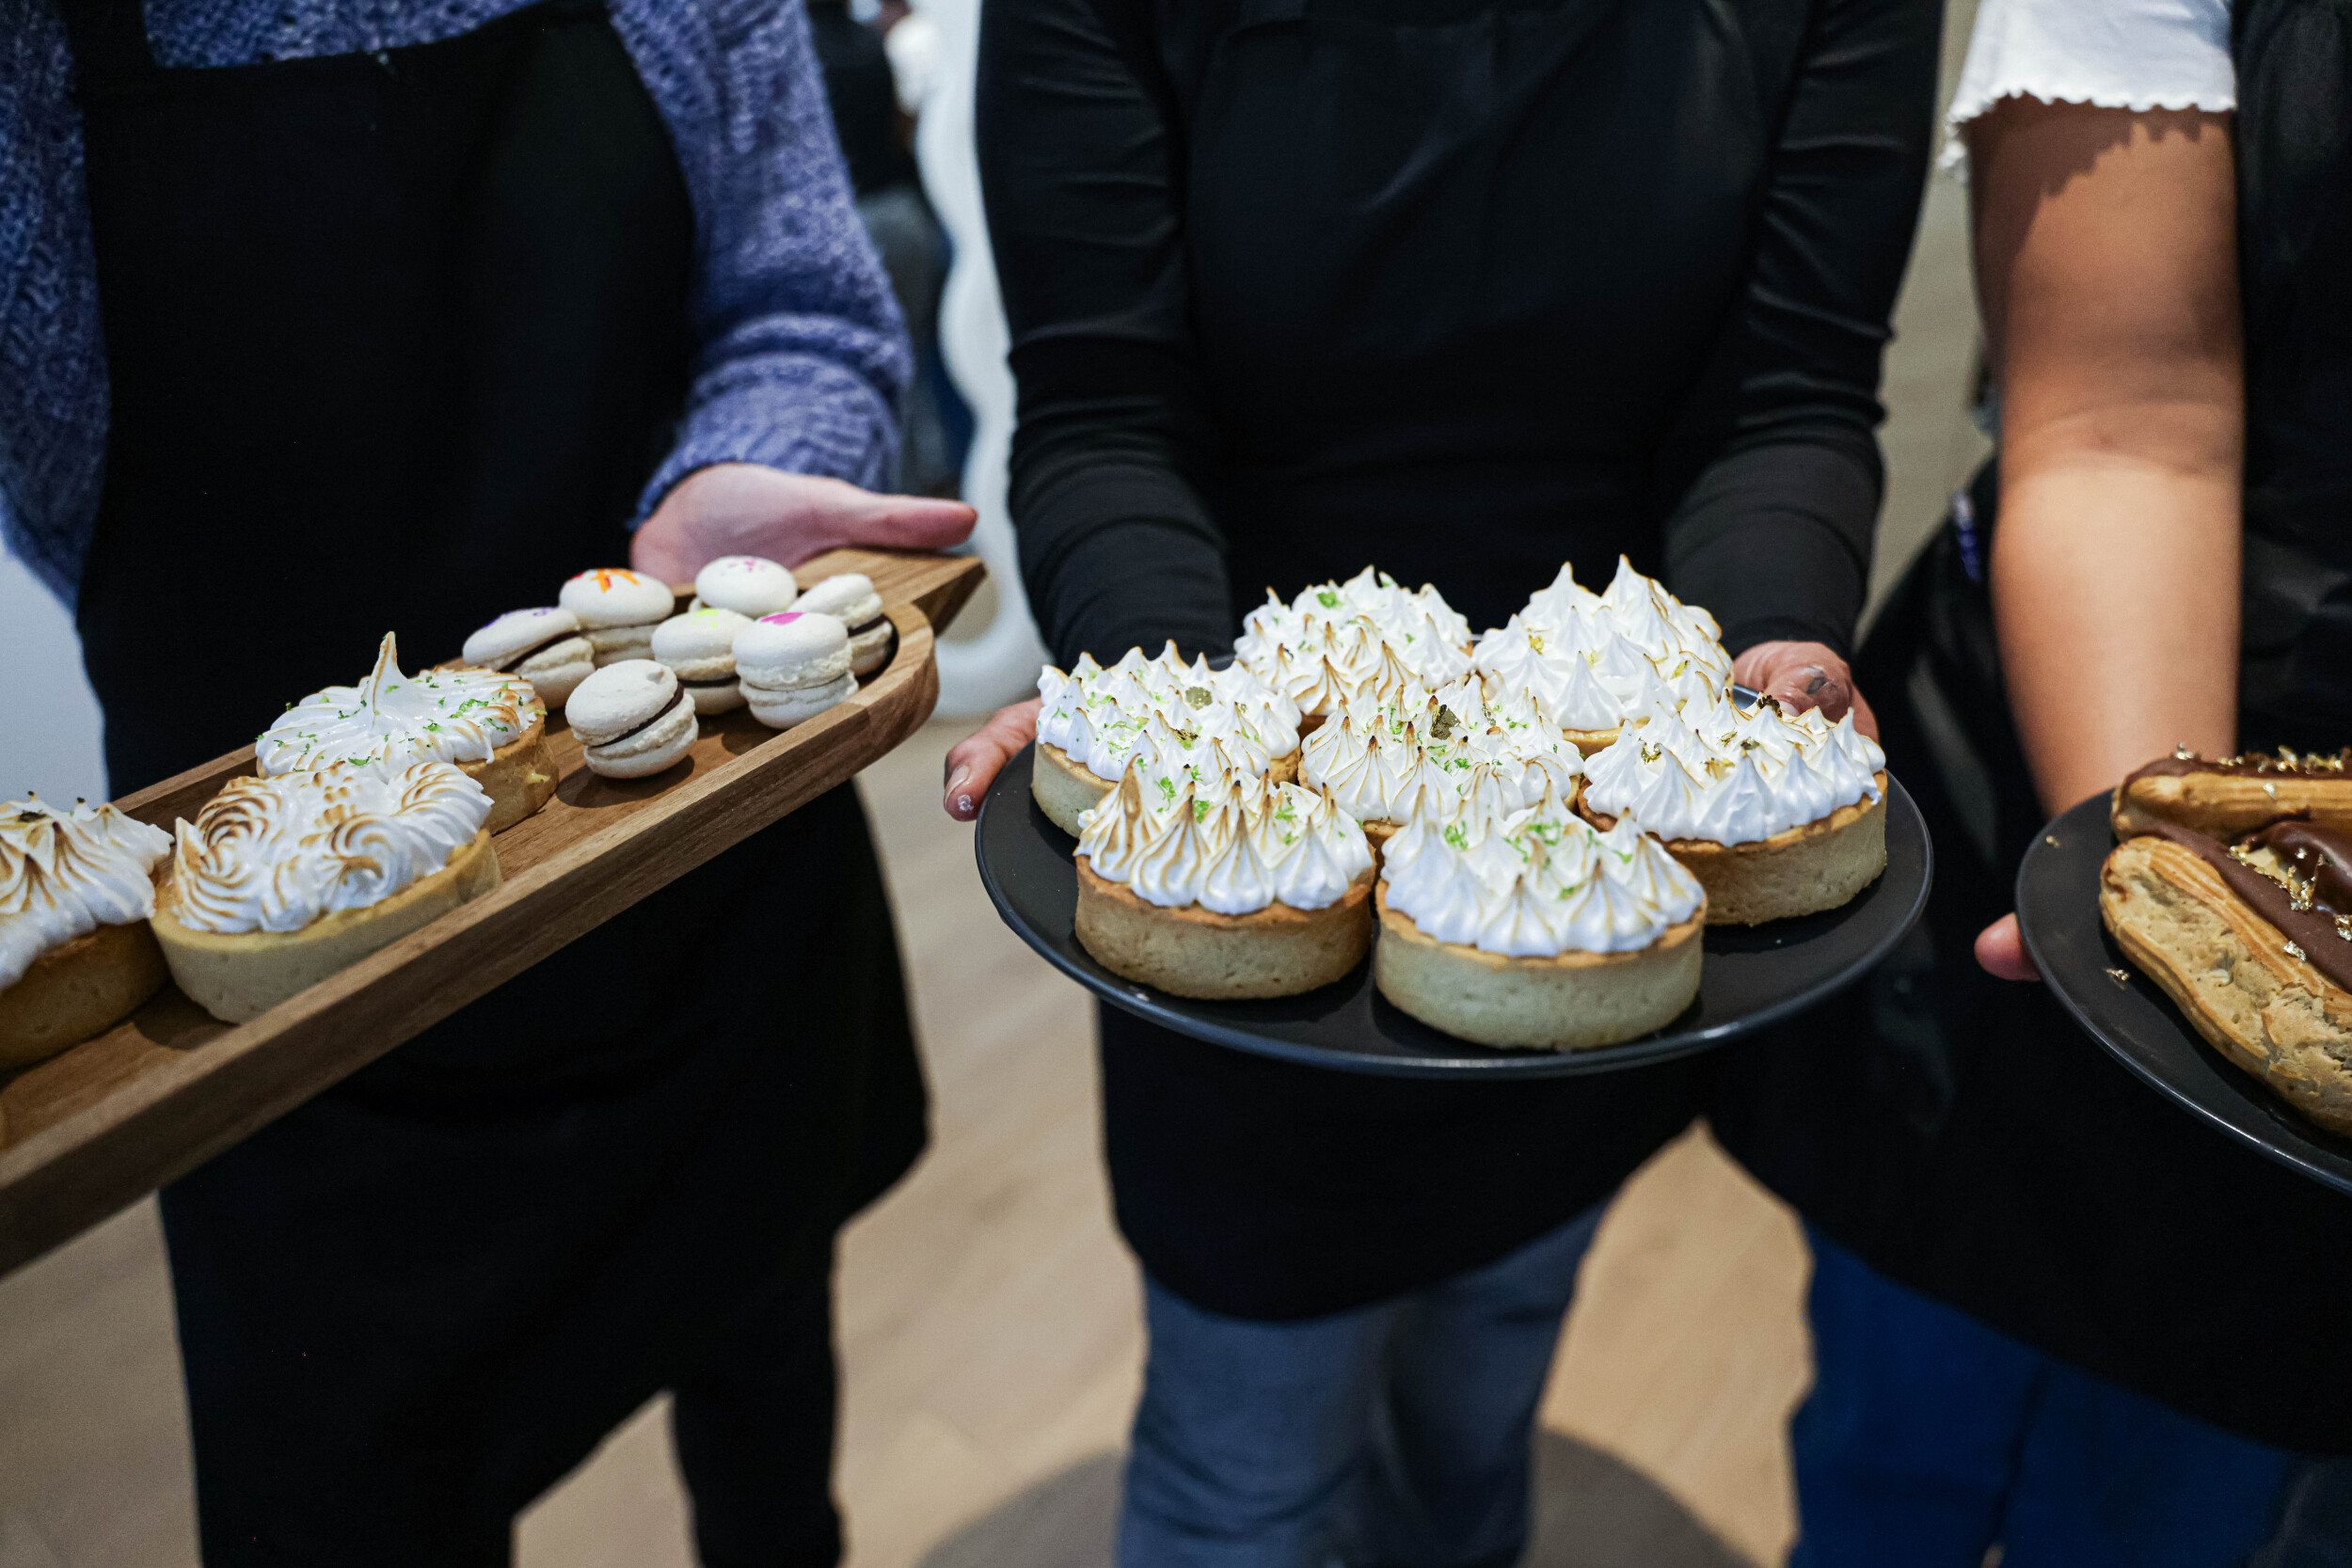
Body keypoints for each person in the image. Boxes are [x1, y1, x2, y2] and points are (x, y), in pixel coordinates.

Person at [942, 0, 1938, 1559]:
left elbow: (1787, 394)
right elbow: (1106, 408)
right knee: (1245, 1471)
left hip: (1609, 815)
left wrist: (1772, 653)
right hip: (1257, 799)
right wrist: (1183, 724)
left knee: (1480, 1412)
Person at [0, 0, 974, 1560]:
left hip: (695, 852)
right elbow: (64, 476)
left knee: (770, 1385)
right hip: (291, 982)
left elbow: (800, 301)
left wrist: (727, 487)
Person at [1709, 0, 2352, 1560]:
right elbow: (2133, 428)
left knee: (2196, 1499)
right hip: (2104, 765)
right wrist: (2179, 901)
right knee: (1903, 1451)